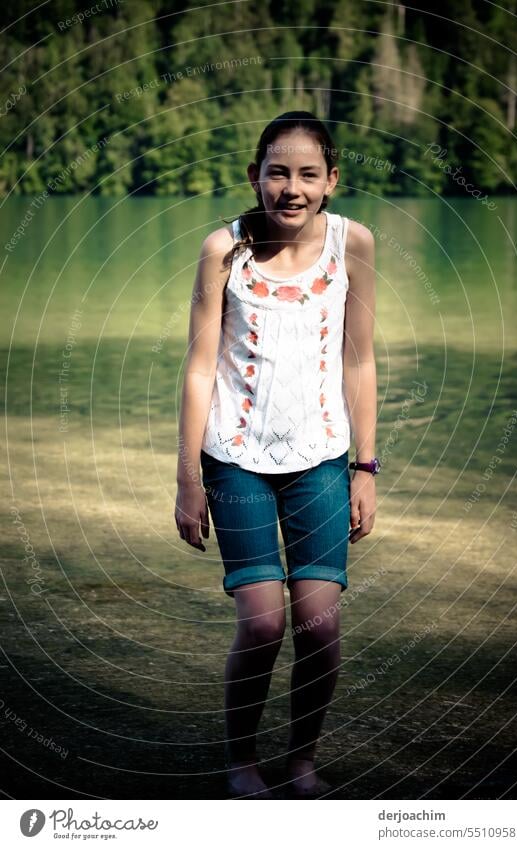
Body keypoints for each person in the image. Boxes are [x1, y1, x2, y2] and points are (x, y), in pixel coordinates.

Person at [175, 111, 378, 799]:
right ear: (255, 175)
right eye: (277, 172)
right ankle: (242, 760)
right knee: (262, 623)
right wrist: (187, 479)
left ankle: (300, 761)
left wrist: (366, 467)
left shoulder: (353, 245)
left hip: (321, 458)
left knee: (319, 627)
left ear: (331, 181)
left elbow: (360, 359)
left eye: (308, 174)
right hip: (233, 459)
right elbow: (201, 367)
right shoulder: (222, 250)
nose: (291, 187)